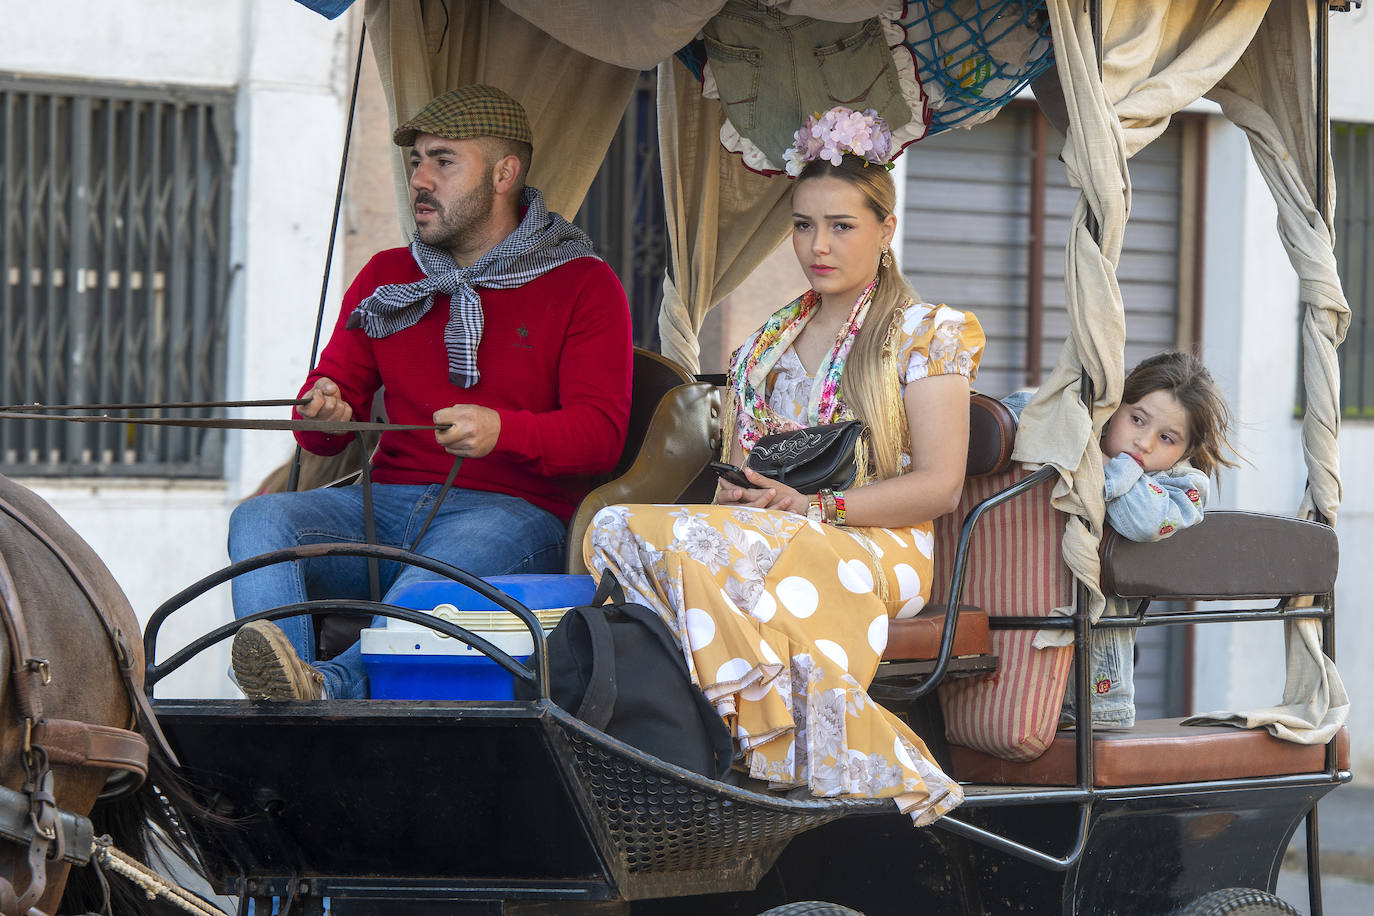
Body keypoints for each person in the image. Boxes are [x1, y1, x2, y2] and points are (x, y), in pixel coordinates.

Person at [584, 107, 980, 825]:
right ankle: (714, 730)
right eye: (802, 225)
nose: (817, 245)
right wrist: (748, 500)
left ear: (886, 229)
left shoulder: (928, 332)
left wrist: (814, 507)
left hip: (873, 540)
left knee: (680, 544)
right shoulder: (768, 339)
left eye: (841, 225)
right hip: (774, 527)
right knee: (612, 528)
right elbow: (747, 468)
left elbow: (941, 487)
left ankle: (786, 741)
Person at [227, 84, 633, 701]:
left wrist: (502, 430)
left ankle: (329, 689)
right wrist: (327, 411)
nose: (420, 178)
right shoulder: (388, 277)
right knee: (260, 521)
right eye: (415, 161)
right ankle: (281, 688)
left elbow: (600, 440)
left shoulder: (584, 284)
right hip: (383, 506)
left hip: (517, 517)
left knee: (435, 568)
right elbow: (319, 422)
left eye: (443, 161)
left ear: (505, 173)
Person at [1004, 350, 1239, 726]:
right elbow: (1016, 410)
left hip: (1094, 681)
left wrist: (1115, 466)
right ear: (1115, 405)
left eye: (1166, 437)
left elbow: (1140, 521)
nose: (1144, 442)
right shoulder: (1082, 430)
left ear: (1188, 450)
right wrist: (1073, 417)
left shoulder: (1183, 485)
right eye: (1136, 419)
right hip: (1023, 638)